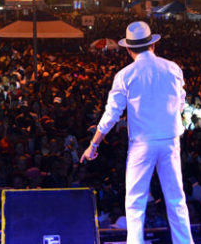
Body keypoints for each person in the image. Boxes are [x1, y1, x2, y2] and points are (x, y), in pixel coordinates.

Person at [80, 21, 194, 244]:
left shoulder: (125, 74)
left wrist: (93, 144)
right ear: (153, 45)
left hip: (142, 144)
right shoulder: (173, 68)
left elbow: (111, 115)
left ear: (129, 49)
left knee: (135, 201)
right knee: (176, 199)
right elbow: (180, 102)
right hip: (170, 140)